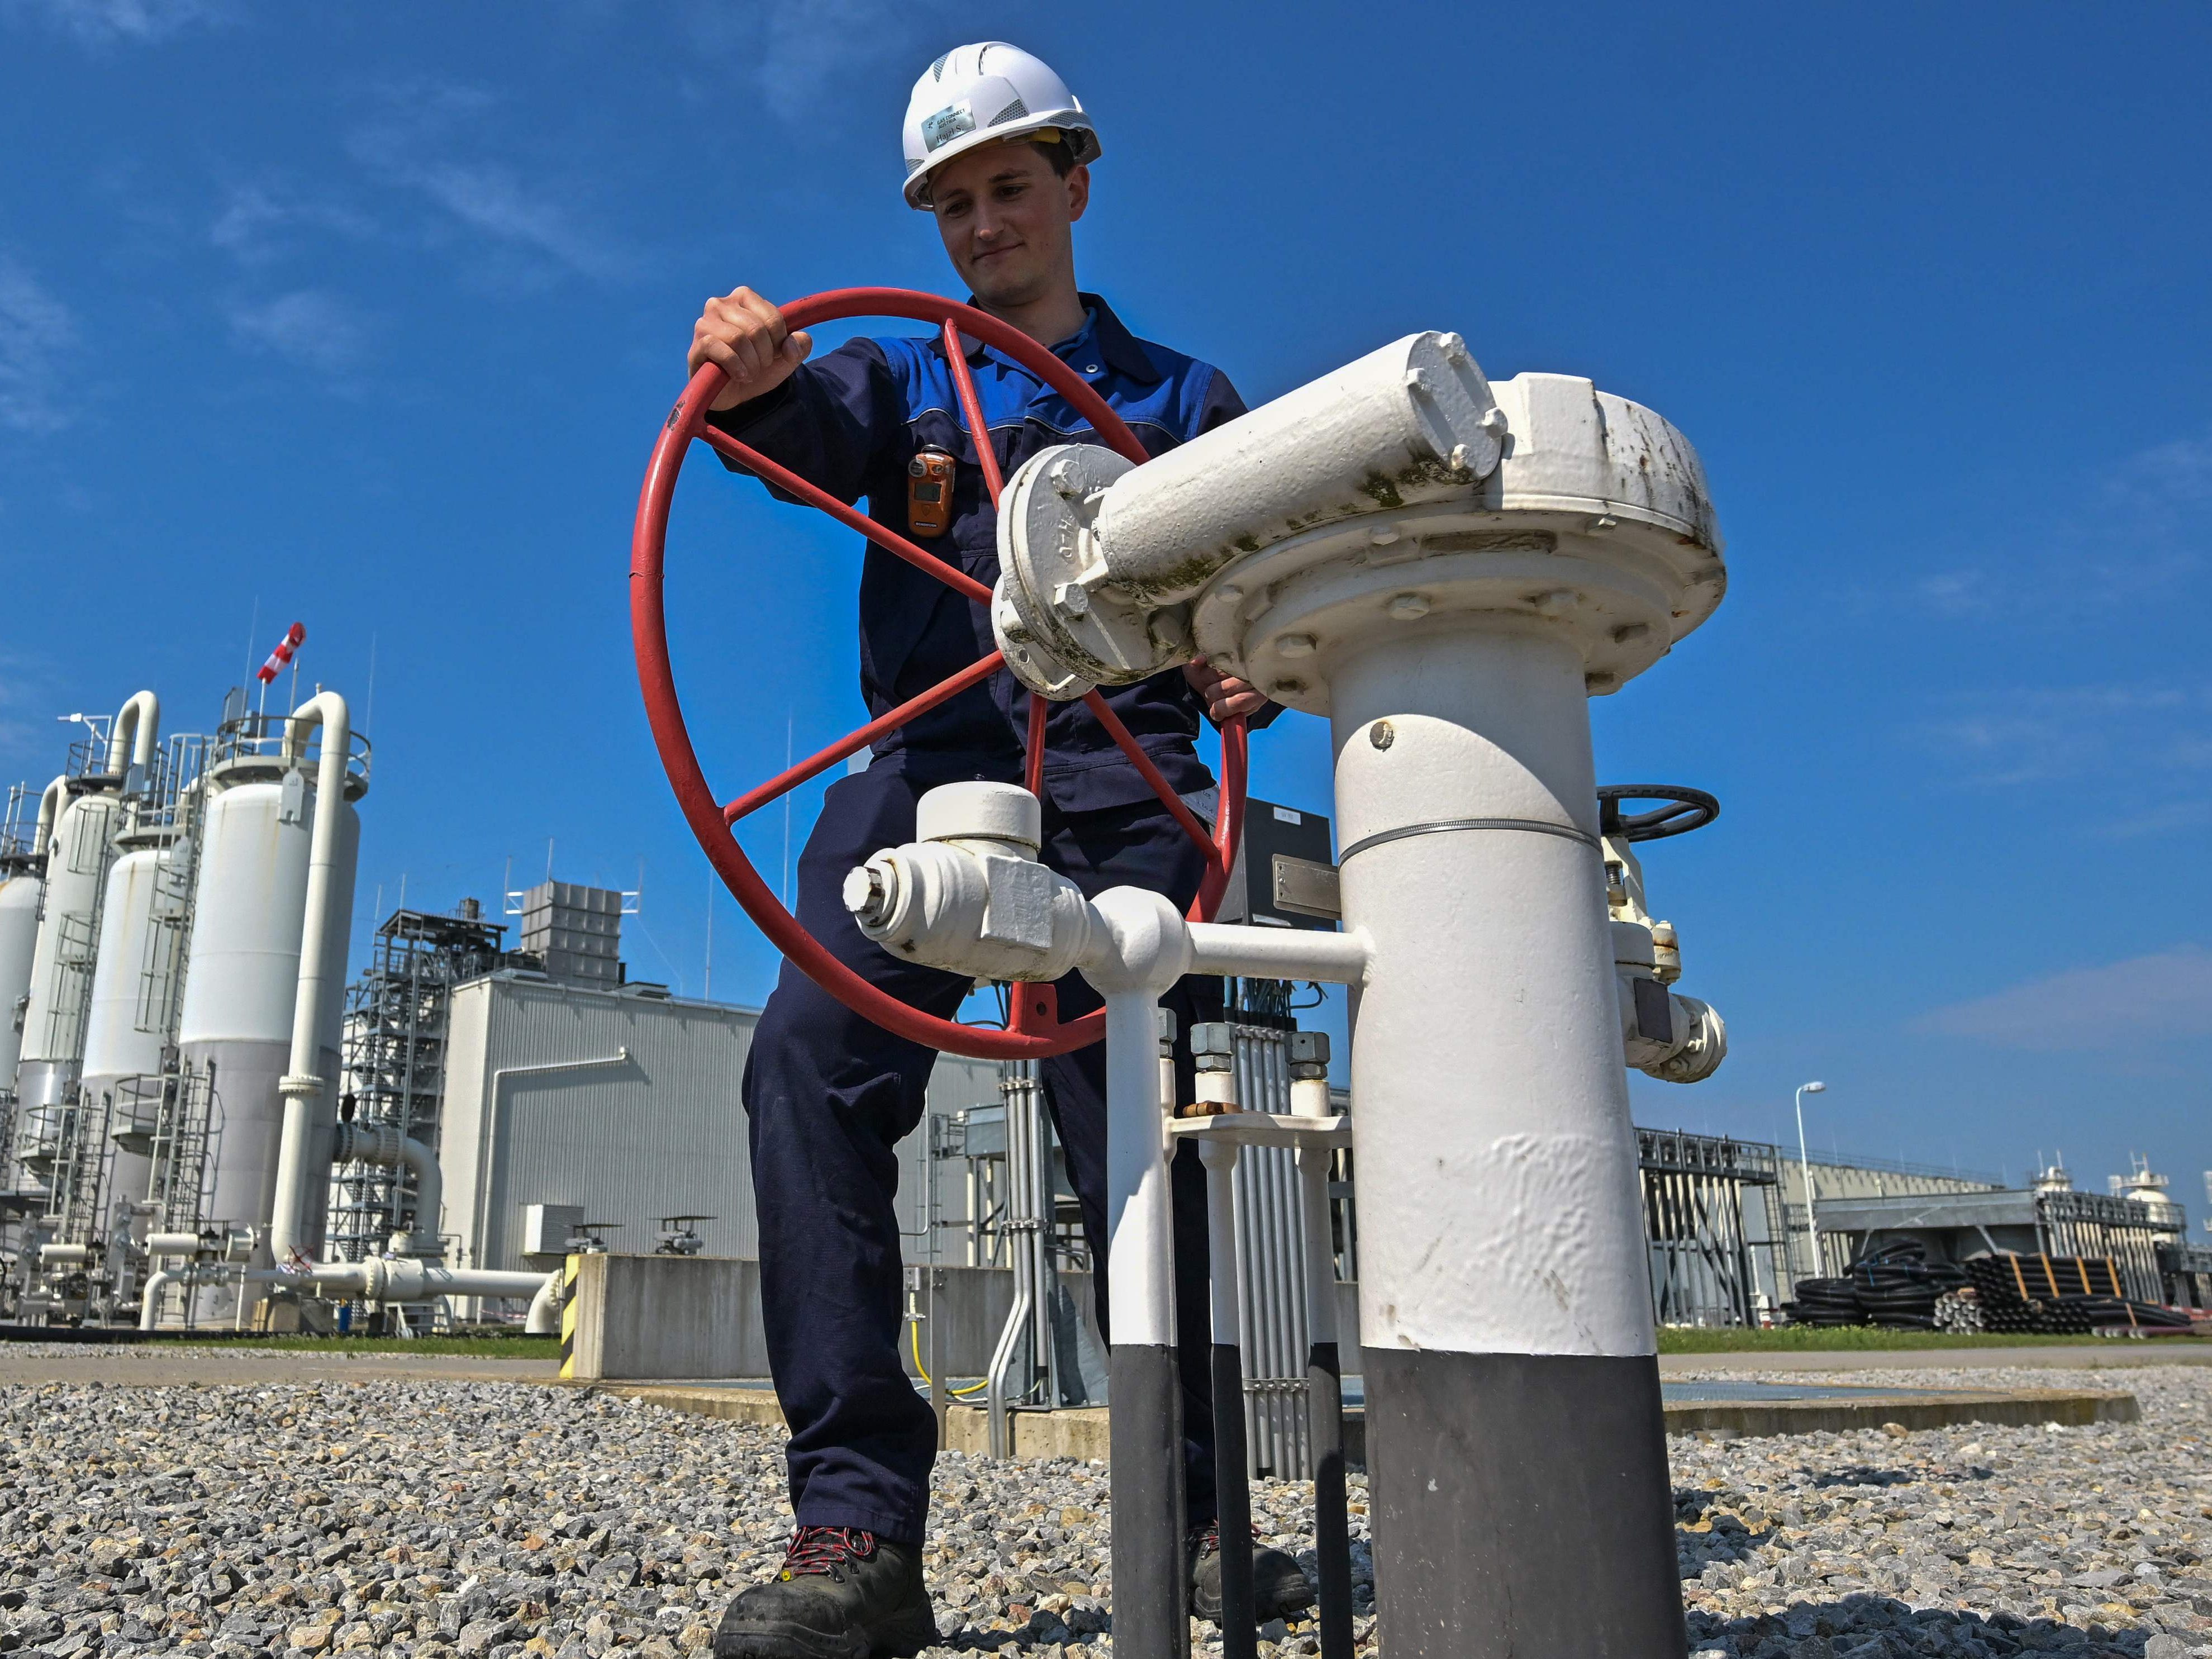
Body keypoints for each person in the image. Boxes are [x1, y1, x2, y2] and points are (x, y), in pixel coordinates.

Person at [688, 40, 1314, 1659]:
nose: (984, 225)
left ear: (1078, 184)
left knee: (1134, 1123)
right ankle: (857, 1527)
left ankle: (1188, 1520)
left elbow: (1248, 611)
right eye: (954, 203)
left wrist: (1253, 659)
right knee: (806, 1063)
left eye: (1011, 186)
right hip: (931, 768)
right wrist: (754, 376)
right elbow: (793, 434)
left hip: (1125, 778)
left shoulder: (1183, 404)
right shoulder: (900, 382)